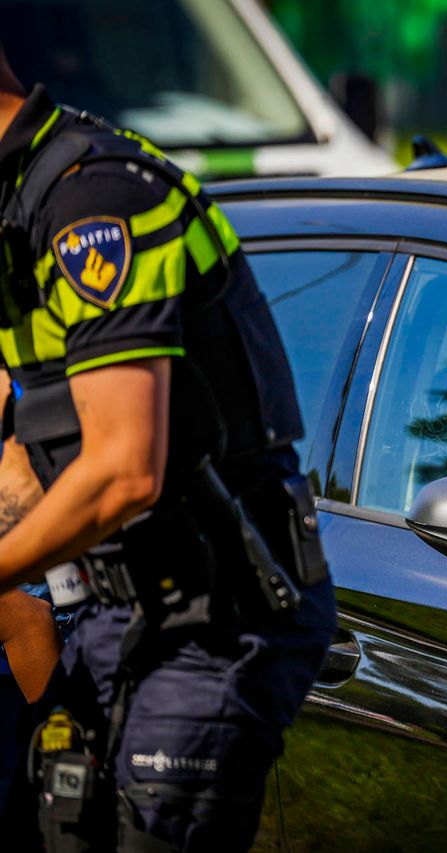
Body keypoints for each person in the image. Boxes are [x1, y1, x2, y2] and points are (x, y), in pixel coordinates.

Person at [0, 41, 336, 852]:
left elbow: (122, 472)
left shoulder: (94, 199)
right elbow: (30, 459)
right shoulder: (15, 212)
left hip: (217, 614)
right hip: (125, 609)